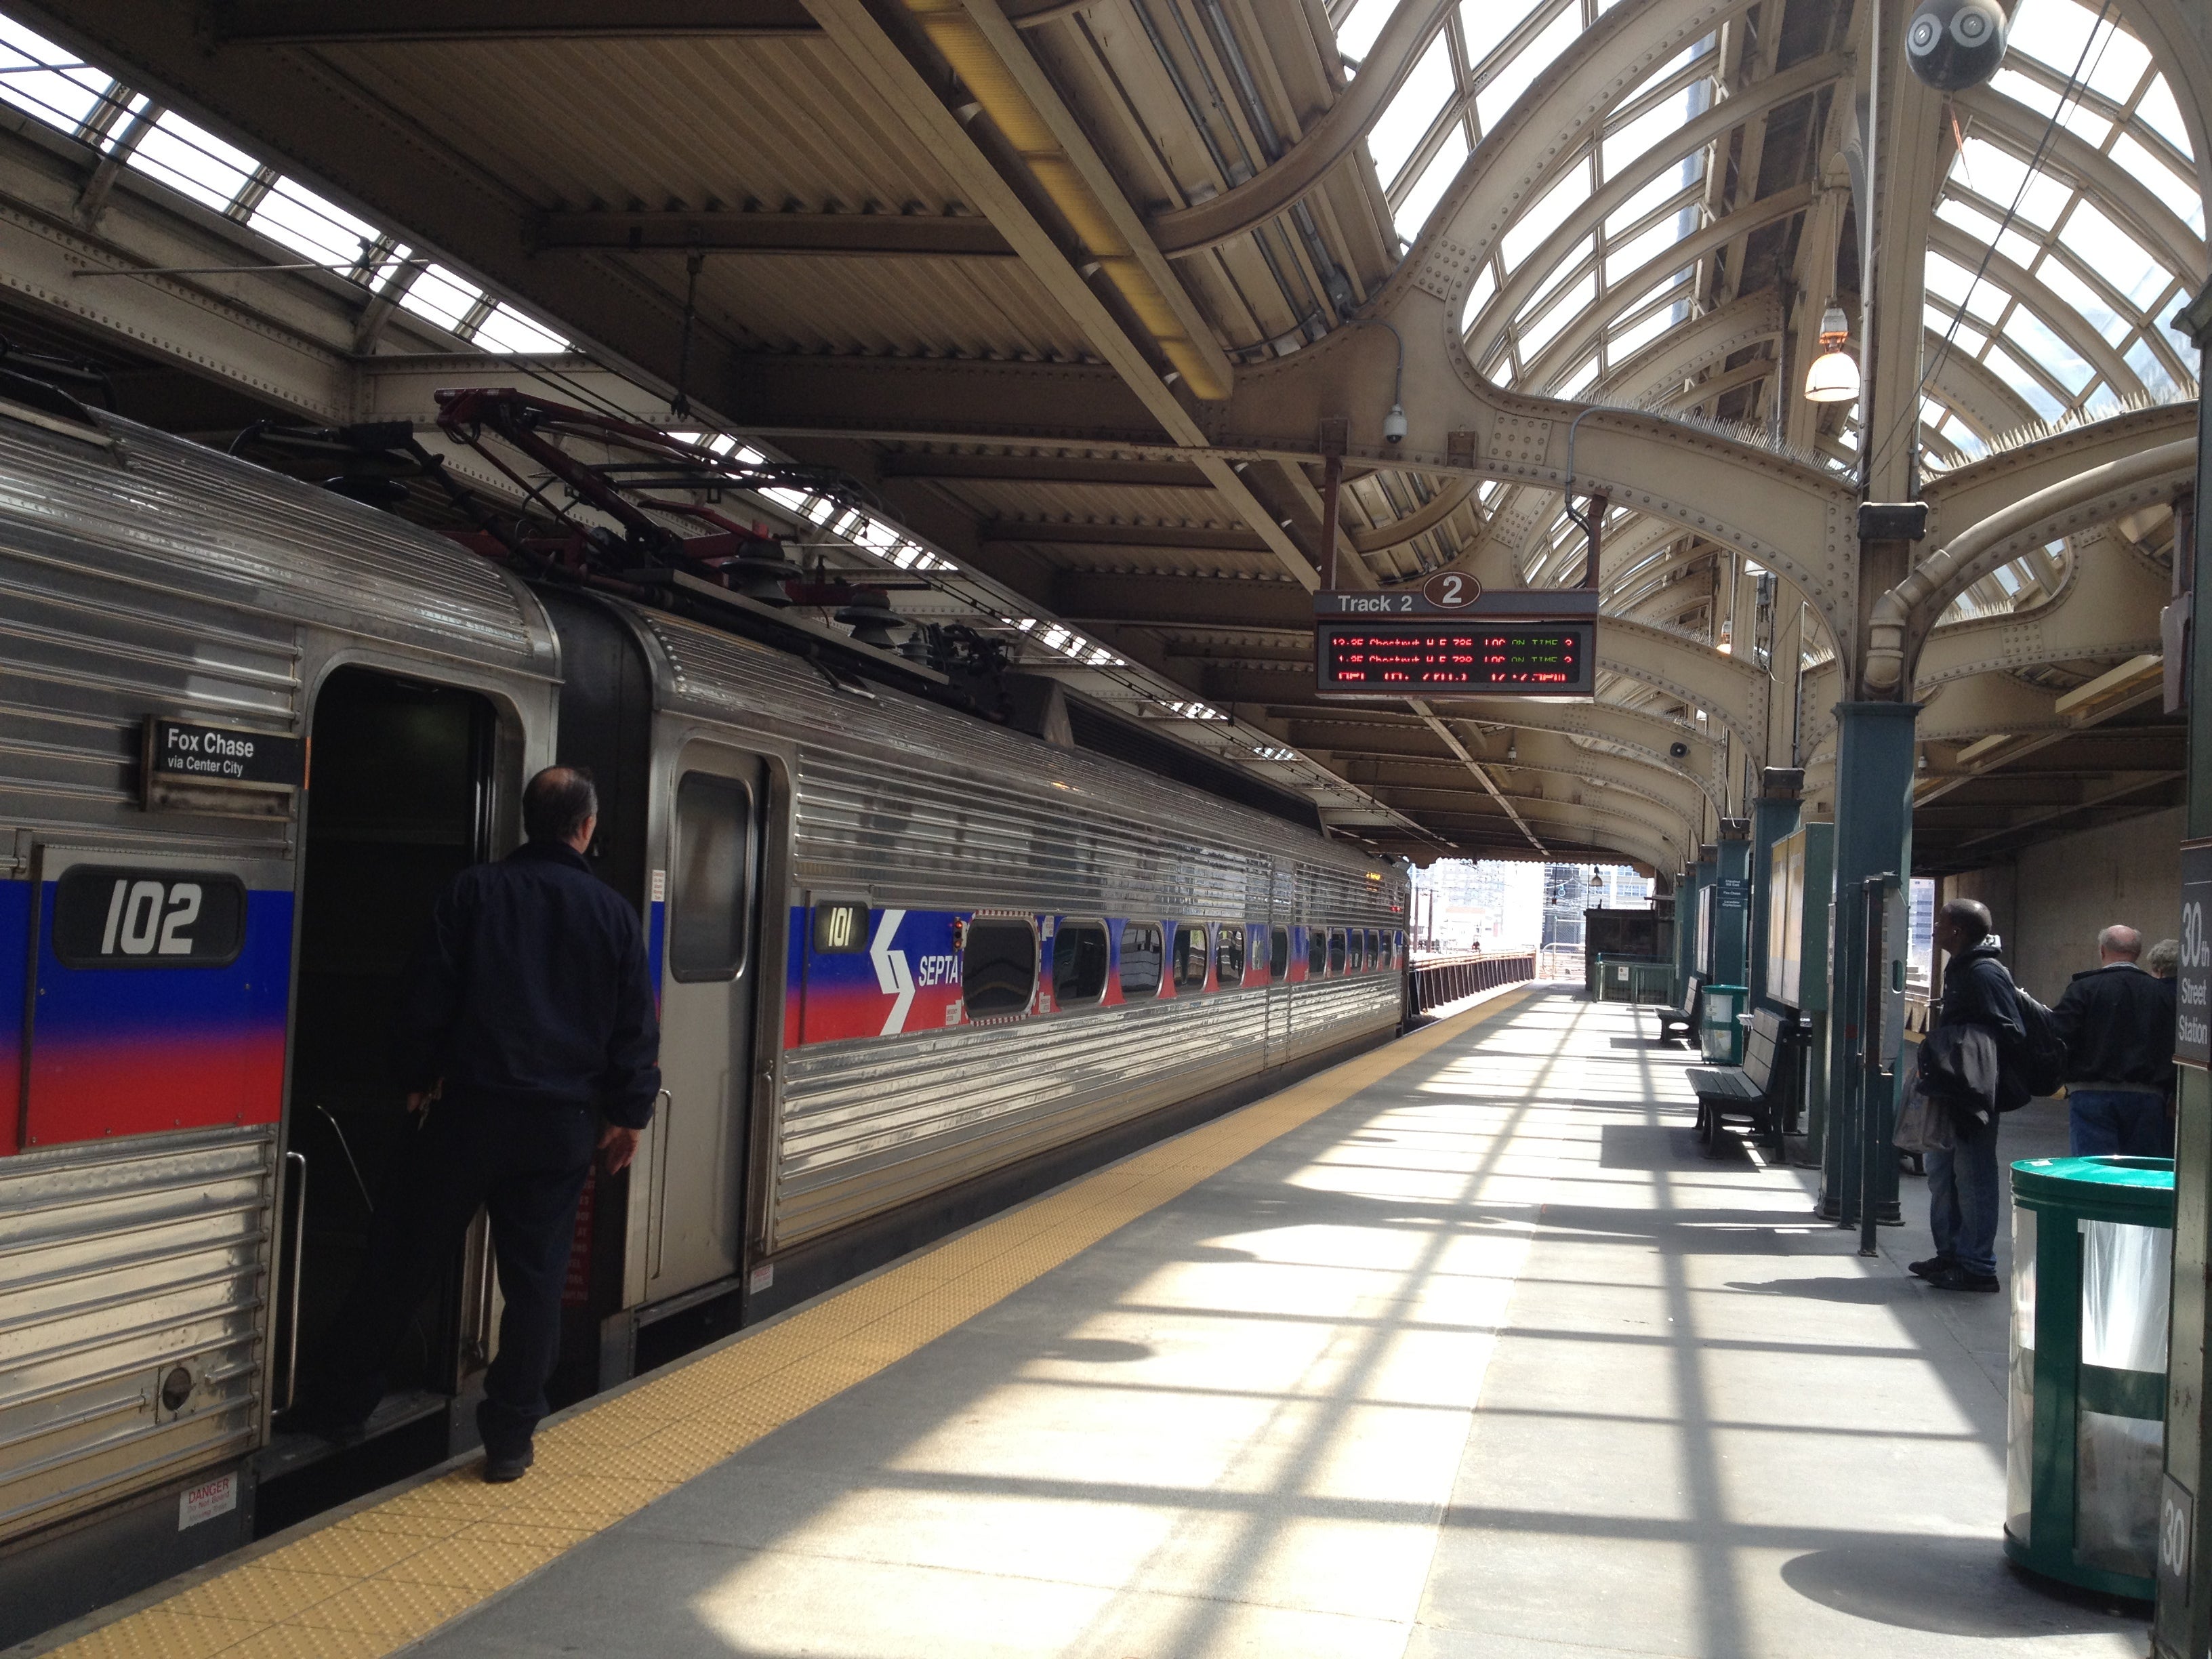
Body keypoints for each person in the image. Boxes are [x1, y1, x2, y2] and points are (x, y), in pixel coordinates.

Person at [286, 766, 660, 1481]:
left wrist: (416, 1077)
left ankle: (340, 1404)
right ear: (584, 828)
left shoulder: (474, 892)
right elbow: (633, 1030)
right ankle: (511, 1439)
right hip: (560, 1127)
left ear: (528, 821)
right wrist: (629, 1114)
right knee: (536, 1284)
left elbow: (425, 995)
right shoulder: (613, 914)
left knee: (401, 1259)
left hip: (469, 1115)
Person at [1912, 899, 2024, 1294]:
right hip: (1954, 1087)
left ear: (1957, 931)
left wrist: (1964, 1055)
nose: (1934, 927)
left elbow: (2010, 1032)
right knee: (1942, 1173)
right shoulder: (1961, 969)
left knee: (1973, 1177)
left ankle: (1978, 1265)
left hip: (1973, 1091)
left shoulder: (1985, 973)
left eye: (1940, 922)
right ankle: (1951, 1254)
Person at [2050, 924, 2176, 1158]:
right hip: (2148, 1098)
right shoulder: (2161, 994)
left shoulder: (2082, 989)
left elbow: (2059, 1037)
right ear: (2138, 954)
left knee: (2093, 1172)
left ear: (2102, 951)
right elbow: (2172, 1046)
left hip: (2091, 1096)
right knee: (2139, 1174)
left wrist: (2059, 1079)